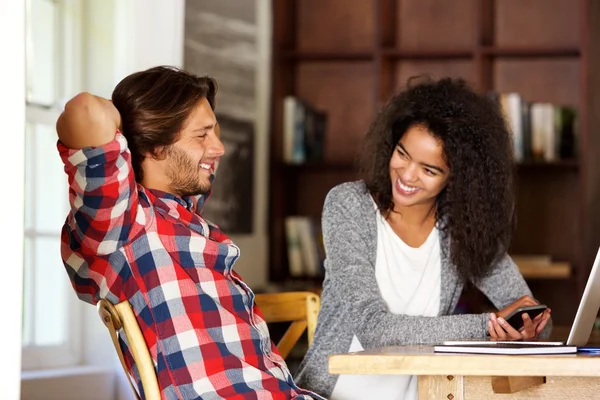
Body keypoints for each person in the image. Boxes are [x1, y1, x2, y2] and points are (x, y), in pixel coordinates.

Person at [57, 66, 323, 400]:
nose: (220, 147)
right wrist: (135, 130)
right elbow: (85, 110)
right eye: (202, 135)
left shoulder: (184, 218)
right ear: (155, 147)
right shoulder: (124, 225)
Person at [294, 76, 552, 400]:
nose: (407, 175)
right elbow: (375, 330)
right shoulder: (349, 206)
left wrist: (527, 330)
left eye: (429, 170)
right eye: (403, 154)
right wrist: (488, 326)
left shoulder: (461, 229)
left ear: (457, 179)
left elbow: (528, 310)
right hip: (329, 395)